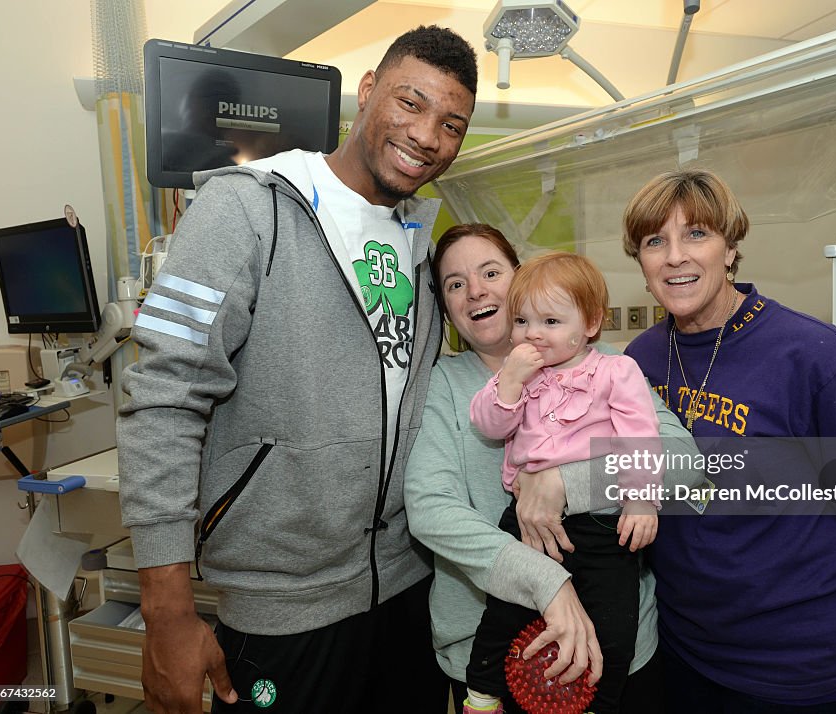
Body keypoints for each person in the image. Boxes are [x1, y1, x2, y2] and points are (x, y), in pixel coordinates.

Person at [116, 26, 477, 713]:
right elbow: (162, 396)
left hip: (410, 589)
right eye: (411, 102)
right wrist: (167, 613)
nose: (428, 134)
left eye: (451, 124)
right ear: (367, 91)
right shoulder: (244, 208)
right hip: (282, 609)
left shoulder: (421, 242)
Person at [621, 168, 836, 711]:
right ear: (640, 261)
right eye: (654, 240)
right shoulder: (637, 361)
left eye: (697, 234)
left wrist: (800, 578)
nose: (675, 256)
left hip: (802, 663)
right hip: (685, 649)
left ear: (730, 249)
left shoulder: (815, 357)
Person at [403, 225, 703, 714]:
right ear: (446, 306)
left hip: (619, 640)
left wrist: (568, 484)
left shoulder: (606, 364)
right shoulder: (446, 385)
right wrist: (548, 583)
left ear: (521, 278)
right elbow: (432, 510)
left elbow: (683, 462)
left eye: (490, 272)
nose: (475, 290)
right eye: (455, 284)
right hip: (502, 646)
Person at [465, 252, 660, 713]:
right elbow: (489, 425)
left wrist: (641, 500)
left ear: (591, 322)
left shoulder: (615, 371)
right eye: (522, 320)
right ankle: (482, 691)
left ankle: (599, 703)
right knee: (504, 613)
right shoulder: (518, 377)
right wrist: (508, 382)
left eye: (550, 320)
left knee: (612, 626)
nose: (533, 333)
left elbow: (640, 437)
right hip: (526, 523)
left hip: (600, 525)